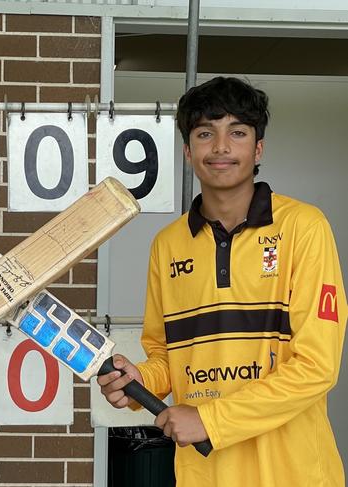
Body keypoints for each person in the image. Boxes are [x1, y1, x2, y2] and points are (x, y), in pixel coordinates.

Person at [98, 76, 346, 486]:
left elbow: (316, 368)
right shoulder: (168, 245)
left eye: (238, 132)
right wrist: (142, 380)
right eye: (205, 133)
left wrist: (210, 419)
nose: (221, 147)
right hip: (204, 472)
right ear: (187, 150)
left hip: (293, 471)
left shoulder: (305, 228)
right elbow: (167, 355)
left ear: (258, 147)